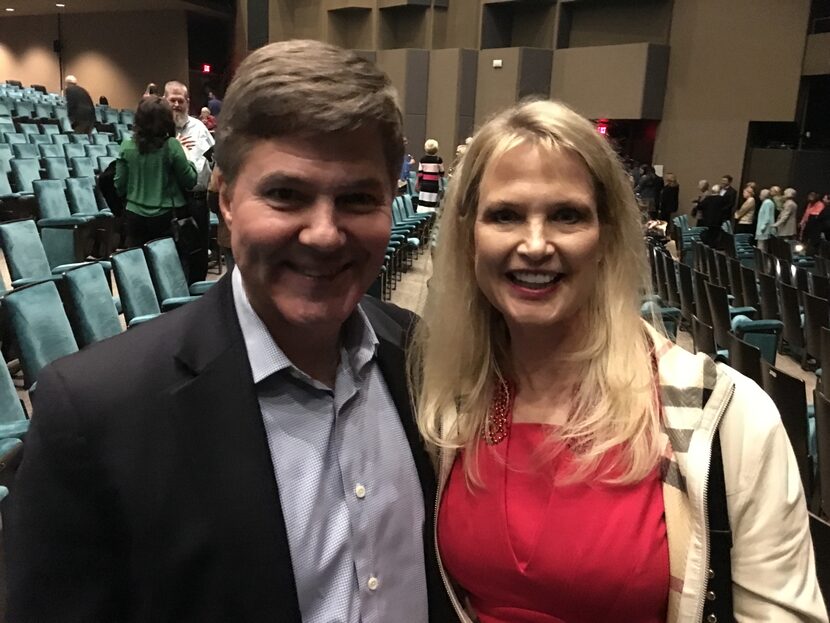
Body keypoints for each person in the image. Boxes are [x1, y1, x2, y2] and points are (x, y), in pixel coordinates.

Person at [5, 39, 455, 623]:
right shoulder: (94, 415)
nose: (324, 233)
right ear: (226, 199)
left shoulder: (415, 353)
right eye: (286, 195)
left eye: (357, 198)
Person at [409, 99, 827, 623]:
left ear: (605, 235)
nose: (535, 245)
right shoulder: (446, 400)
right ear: (469, 235)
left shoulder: (727, 418)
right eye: (506, 215)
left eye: (566, 215)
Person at [113, 95, 196, 247]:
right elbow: (190, 180)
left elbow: (119, 185)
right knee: (167, 266)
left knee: (137, 264)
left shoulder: (126, 146)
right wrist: (187, 155)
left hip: (134, 215)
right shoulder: (172, 145)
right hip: (166, 217)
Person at [164, 80, 216, 282]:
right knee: (173, 255)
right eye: (172, 100)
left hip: (195, 200)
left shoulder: (198, 128)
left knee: (198, 253)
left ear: (187, 102)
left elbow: (211, 160)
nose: (176, 105)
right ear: (164, 100)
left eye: (180, 101)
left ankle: (195, 297)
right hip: (171, 200)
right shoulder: (160, 128)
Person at [416, 138, 444, 212]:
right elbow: (442, 172)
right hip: (434, 183)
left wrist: (418, 184)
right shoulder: (438, 160)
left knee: (423, 200)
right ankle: (431, 215)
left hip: (424, 183)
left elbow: (420, 174)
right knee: (432, 199)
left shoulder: (422, 159)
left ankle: (422, 214)